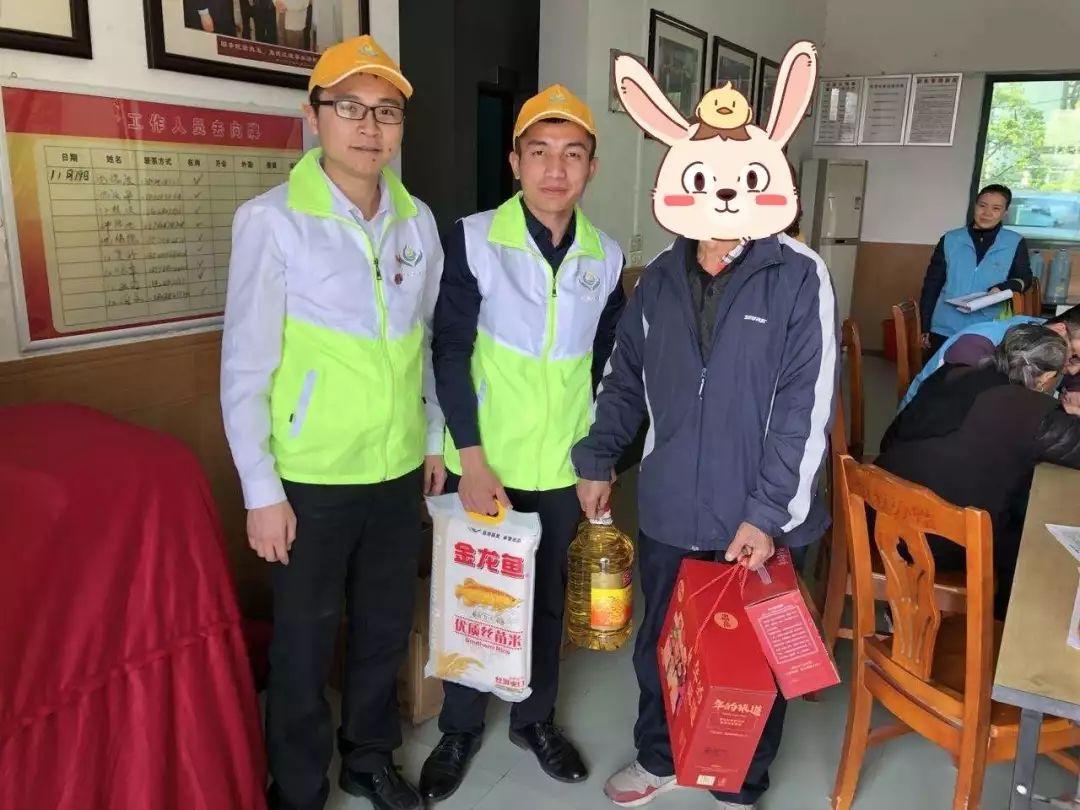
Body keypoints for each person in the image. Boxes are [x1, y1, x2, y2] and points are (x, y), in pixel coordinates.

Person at [573, 44, 836, 810]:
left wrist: (767, 514)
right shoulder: (658, 278)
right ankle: (660, 755)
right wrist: (598, 457)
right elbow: (623, 377)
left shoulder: (798, 275)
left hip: (759, 508)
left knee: (753, 651)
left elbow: (806, 406)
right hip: (670, 506)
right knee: (665, 641)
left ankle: (740, 777)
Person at [220, 35, 445, 810]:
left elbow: (426, 343)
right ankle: (297, 784)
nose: (369, 126)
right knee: (305, 640)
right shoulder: (272, 220)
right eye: (350, 107)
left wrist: (433, 438)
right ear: (313, 117)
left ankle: (368, 759)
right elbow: (244, 367)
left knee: (382, 627)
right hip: (309, 477)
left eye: (387, 111)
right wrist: (261, 490)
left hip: (395, 468)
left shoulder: (417, 222)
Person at [418, 84, 626, 802]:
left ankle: (534, 720)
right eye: (539, 152)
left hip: (564, 465)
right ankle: (459, 728)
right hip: (488, 463)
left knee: (545, 600)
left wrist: (599, 461)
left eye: (572, 154)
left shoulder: (606, 256)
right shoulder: (475, 238)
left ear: (592, 166)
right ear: (515, 162)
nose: (555, 169)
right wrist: (467, 458)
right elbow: (449, 352)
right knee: (475, 596)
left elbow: (609, 369)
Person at [876, 323, 1080, 619]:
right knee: (1037, 549)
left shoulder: (953, 373)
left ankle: (905, 614)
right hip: (938, 540)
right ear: (1048, 377)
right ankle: (992, 629)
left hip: (882, 516)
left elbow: (889, 439)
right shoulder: (1031, 411)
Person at [919, 183, 1033, 354]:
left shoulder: (1014, 242)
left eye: (996, 208)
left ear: (1005, 212)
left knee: (977, 371)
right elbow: (932, 284)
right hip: (944, 326)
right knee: (938, 369)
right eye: (982, 206)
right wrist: (925, 325)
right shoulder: (951, 239)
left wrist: (1002, 287)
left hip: (987, 328)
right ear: (975, 206)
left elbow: (1025, 278)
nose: (987, 213)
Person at [900, 304, 1080, 410]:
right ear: (1059, 329)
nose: (1073, 370)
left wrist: (1075, 389)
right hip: (925, 431)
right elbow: (978, 411)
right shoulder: (976, 348)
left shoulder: (1040, 329)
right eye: (1074, 357)